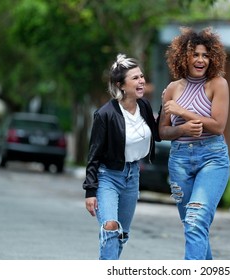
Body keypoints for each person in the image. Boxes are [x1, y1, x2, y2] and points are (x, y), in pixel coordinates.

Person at [158, 26, 230, 260]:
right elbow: (163, 131)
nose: (201, 60)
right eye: (195, 54)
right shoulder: (172, 89)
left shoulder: (218, 84)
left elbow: (218, 126)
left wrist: (184, 112)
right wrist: (182, 129)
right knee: (192, 225)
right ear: (183, 57)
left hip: (212, 158)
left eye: (205, 55)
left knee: (196, 218)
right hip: (179, 161)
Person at [83, 54, 159, 260]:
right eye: (135, 78)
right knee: (110, 227)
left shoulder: (144, 107)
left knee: (121, 234)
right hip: (108, 176)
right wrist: (90, 190)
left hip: (132, 176)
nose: (141, 81)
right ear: (121, 85)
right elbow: (94, 154)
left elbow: (157, 134)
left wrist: (172, 113)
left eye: (141, 76)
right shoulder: (105, 114)